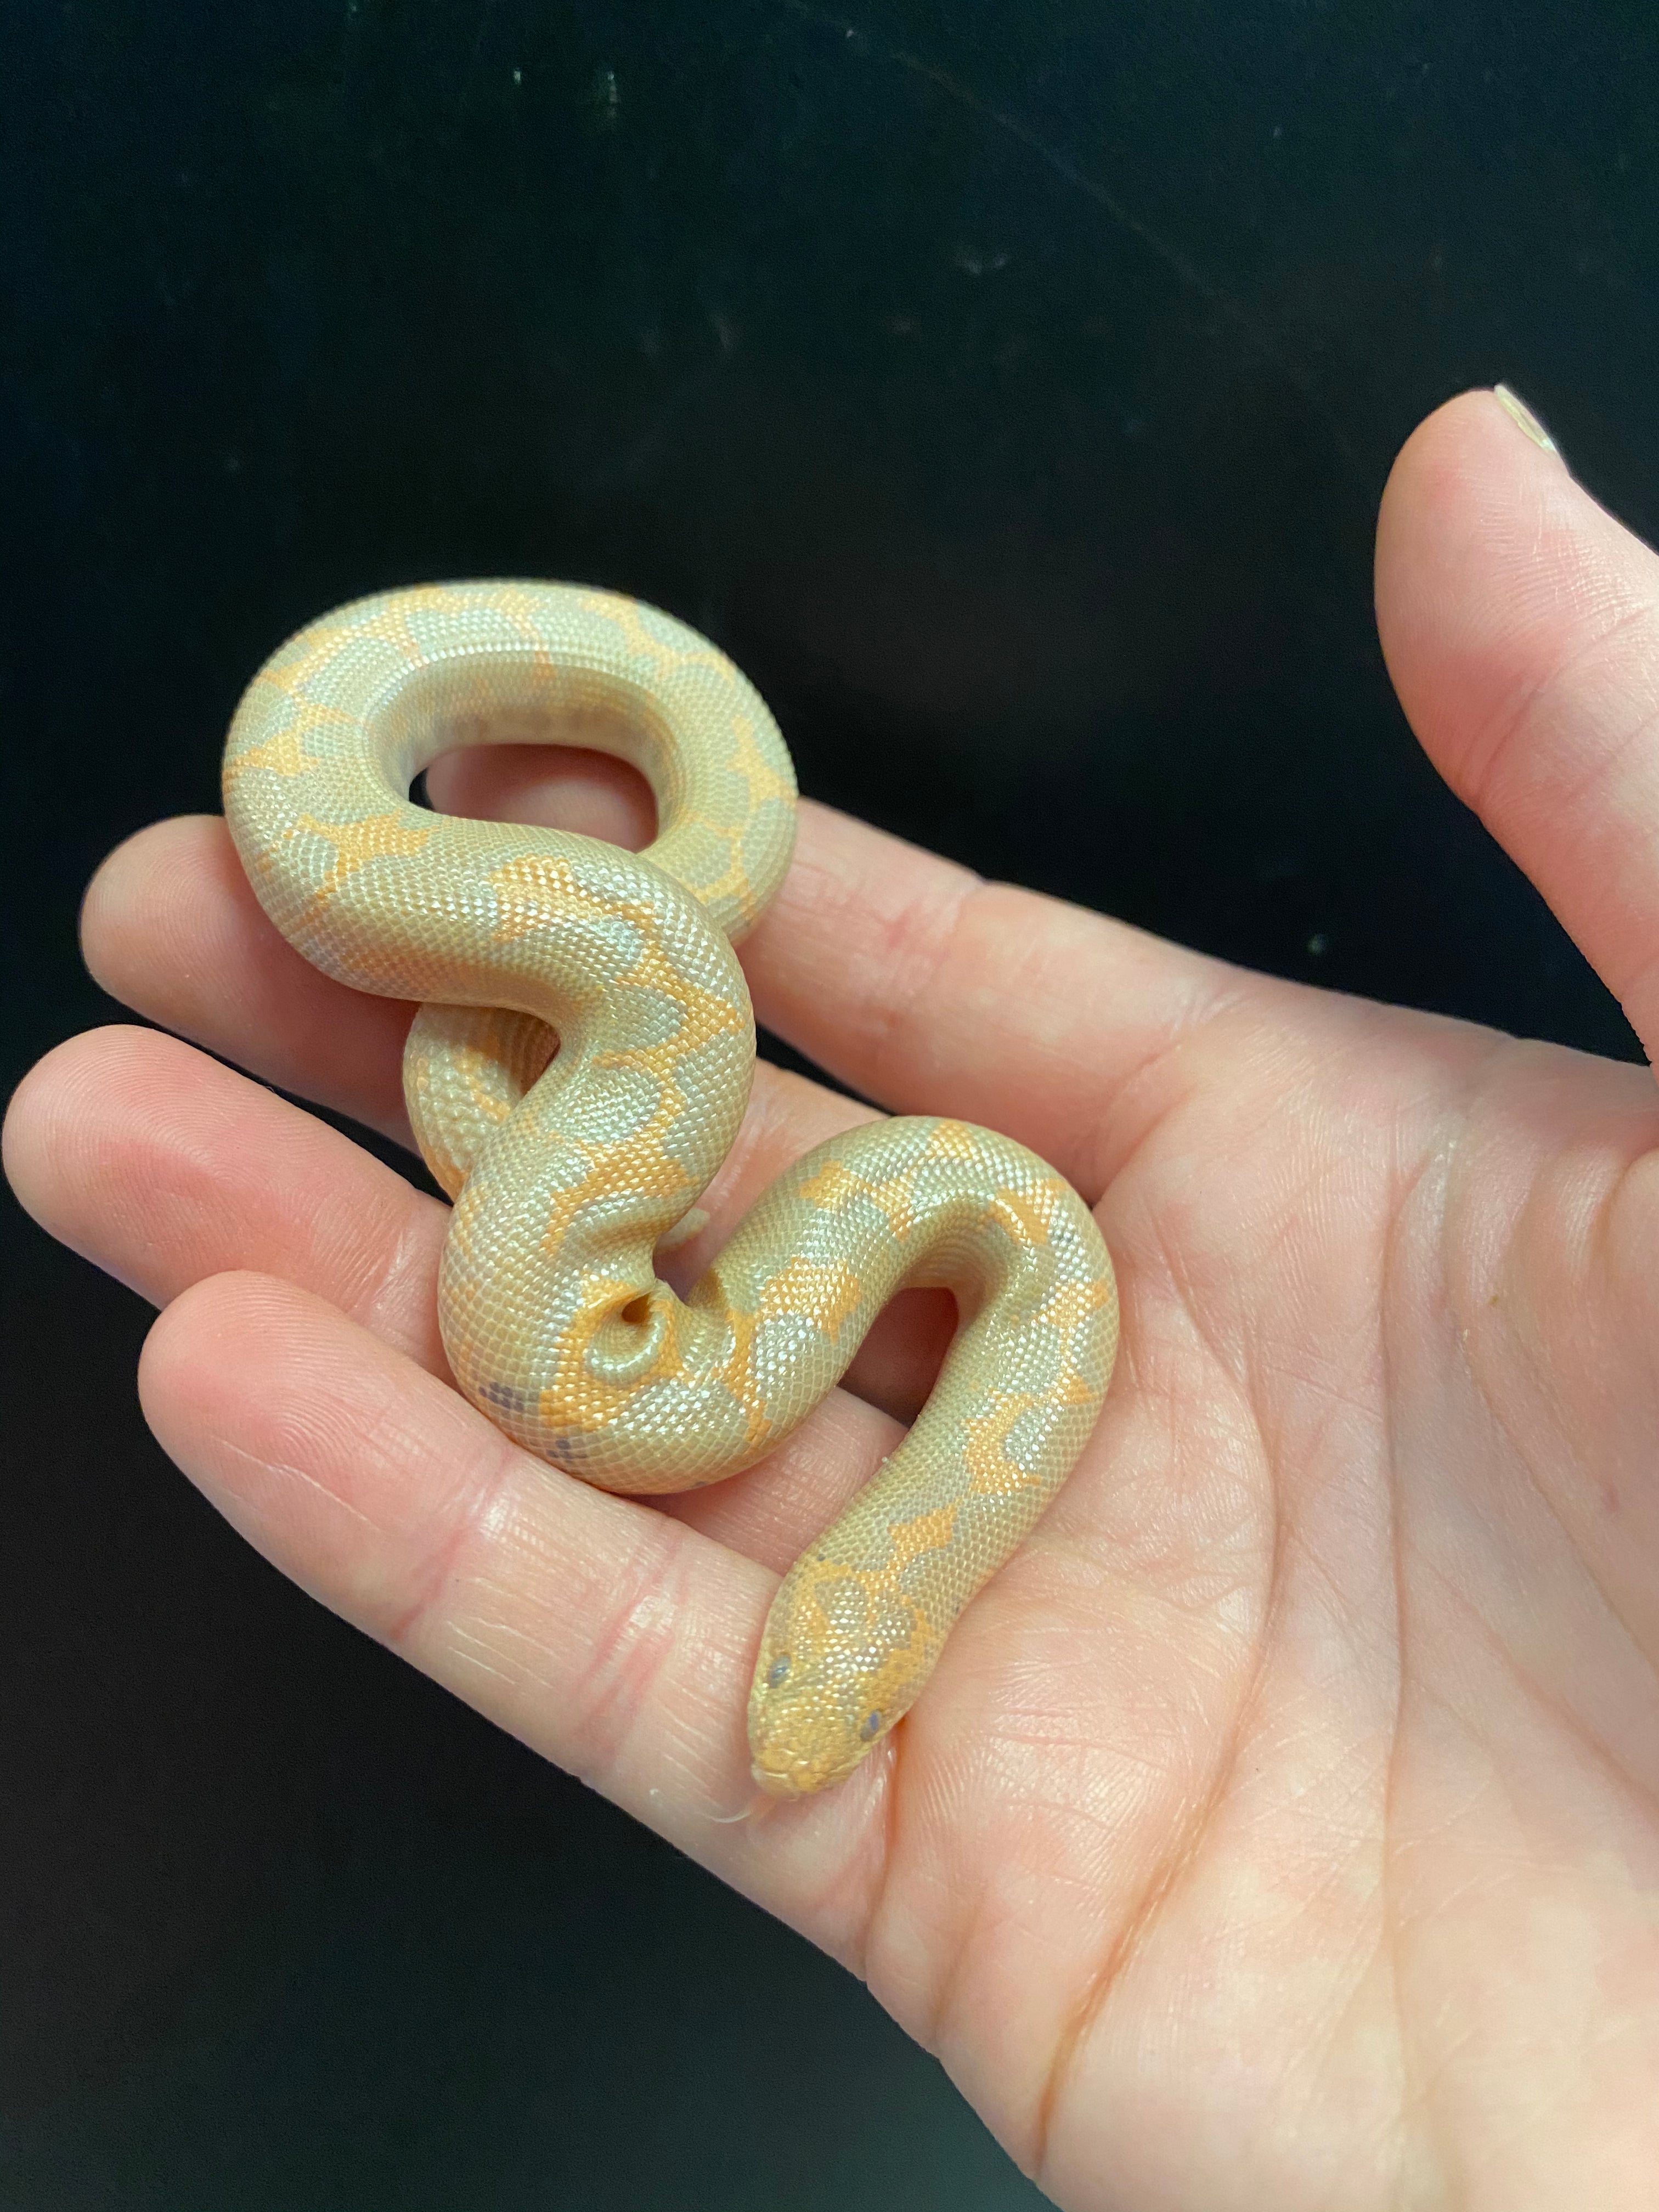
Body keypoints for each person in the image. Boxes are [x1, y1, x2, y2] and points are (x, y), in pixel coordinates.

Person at [6, 387, 1656, 2208]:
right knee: (595, 1003)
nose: (780, 1699)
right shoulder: (796, 1173)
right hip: (603, 1069)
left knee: (552, 1089)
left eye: (813, 1664)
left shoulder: (940, 1279)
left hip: (612, 1184)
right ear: (863, 1611)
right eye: (818, 1676)